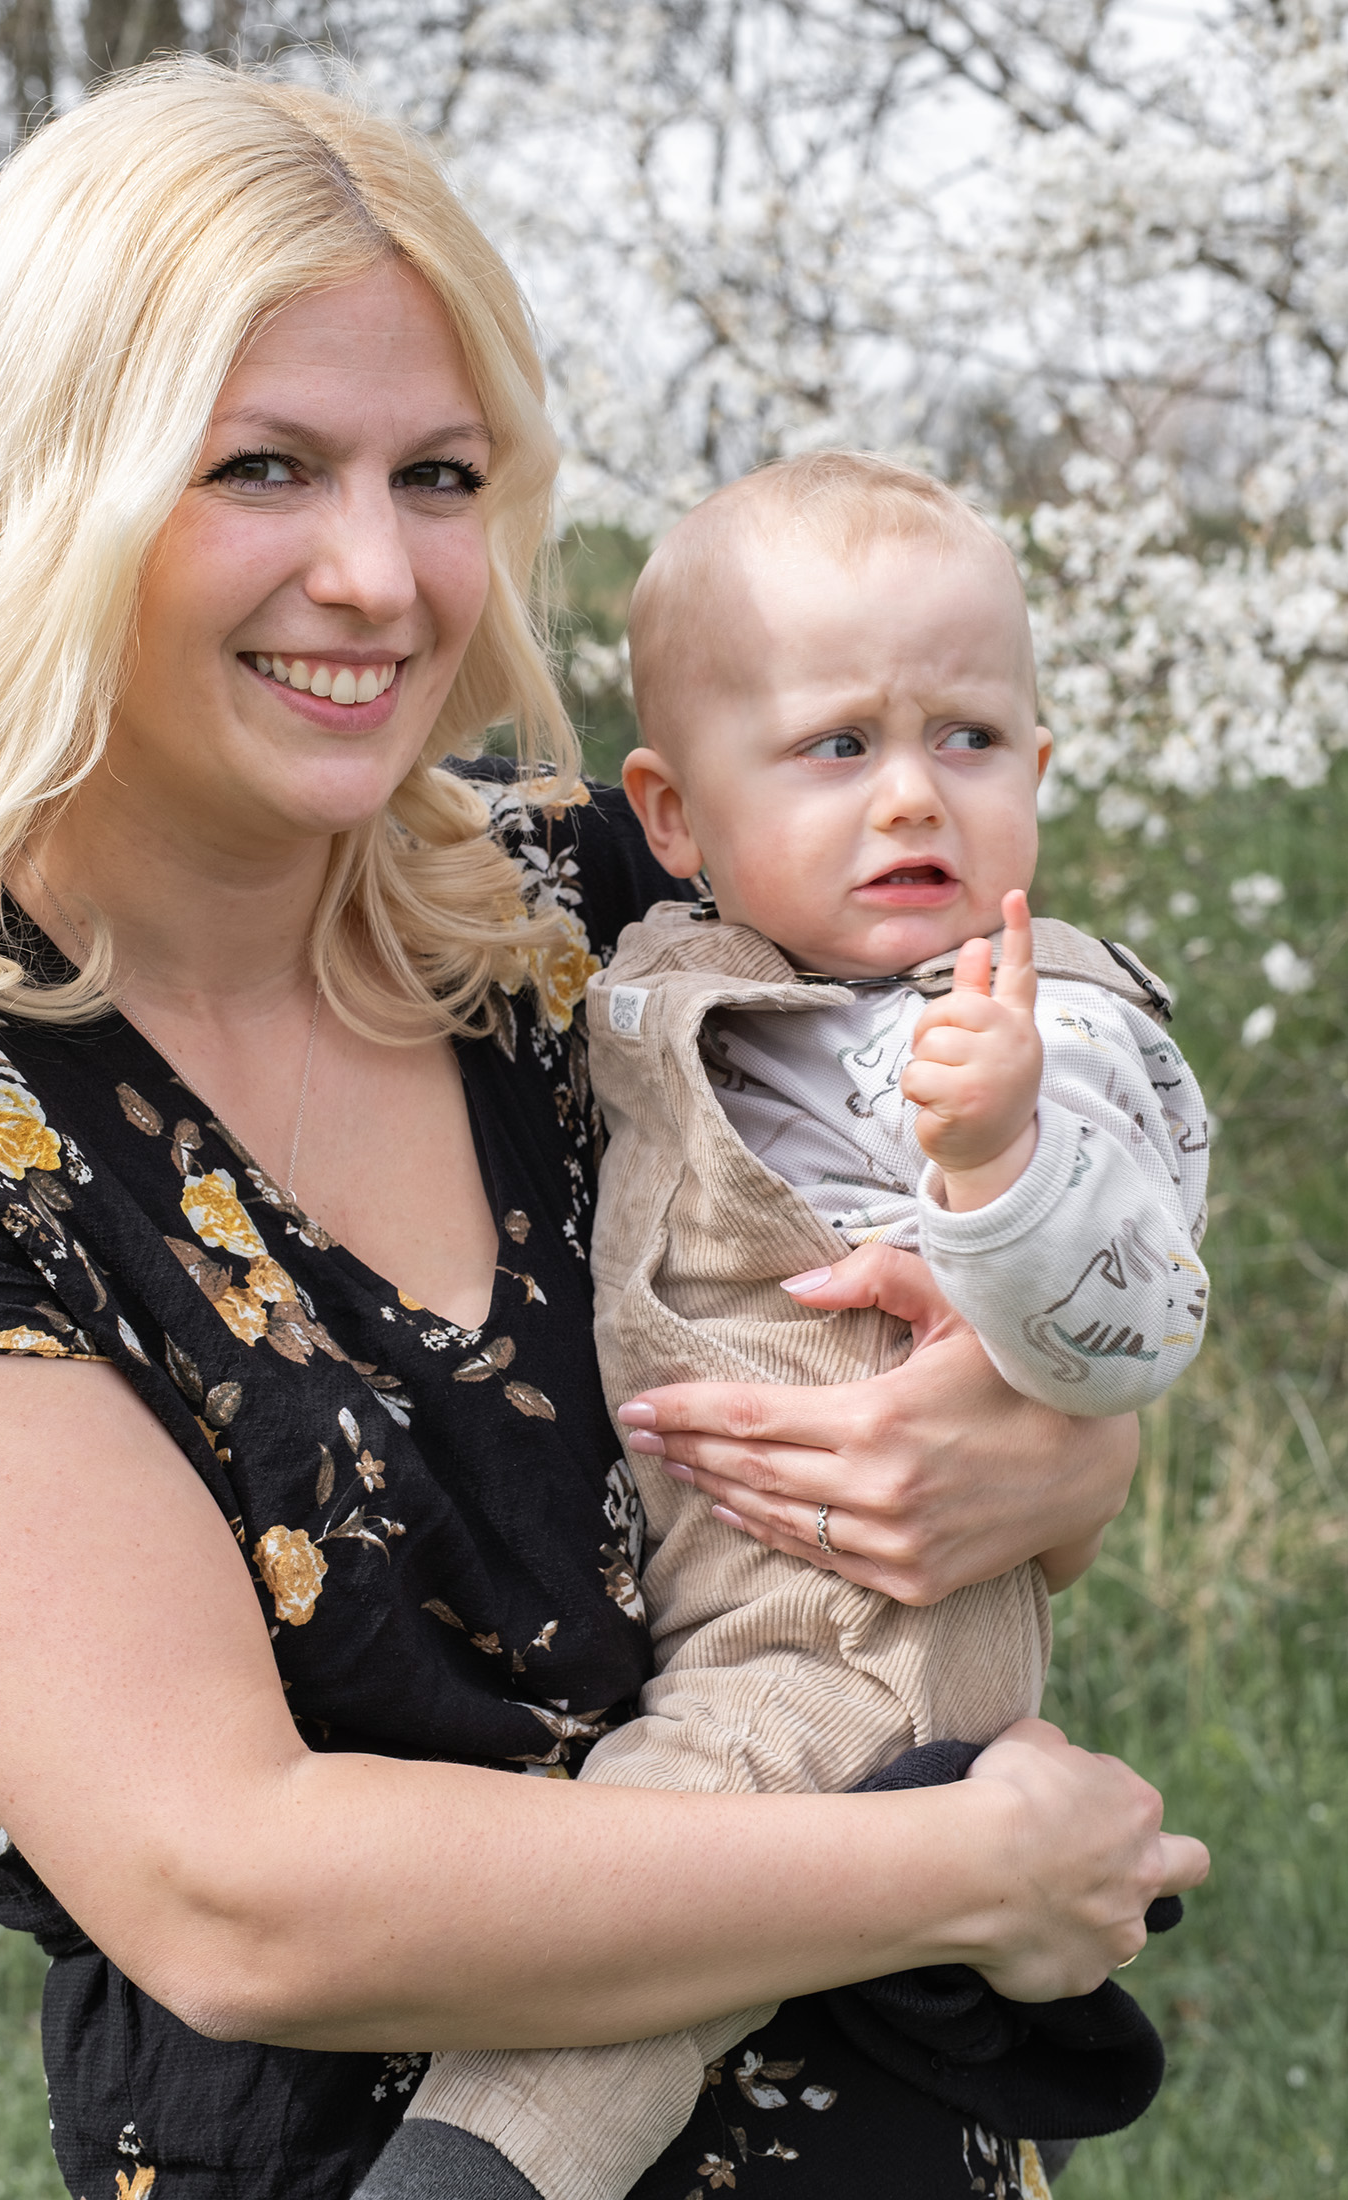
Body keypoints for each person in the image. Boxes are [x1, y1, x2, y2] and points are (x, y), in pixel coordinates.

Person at [0, 61, 1207, 2200]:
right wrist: (951, 1864)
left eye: (436, 474)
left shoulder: (612, 910)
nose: (379, 575)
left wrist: (1051, 1439)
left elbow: (1012, 1269)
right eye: (263, 467)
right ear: (56, 495)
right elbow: (235, 1885)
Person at [393, 455, 1212, 2198]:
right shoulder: (677, 958)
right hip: (728, 1582)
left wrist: (997, 1187)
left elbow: (1140, 1325)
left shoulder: (1037, 1029)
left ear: (1042, 771)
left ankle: (476, 2168)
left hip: (846, 1618)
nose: (913, 796)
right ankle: (979, 2005)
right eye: (840, 746)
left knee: (664, 1864)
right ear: (675, 821)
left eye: (973, 740)